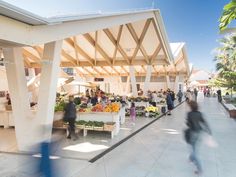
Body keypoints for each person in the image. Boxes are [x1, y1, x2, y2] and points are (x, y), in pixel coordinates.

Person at [185, 101, 211, 175]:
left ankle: (200, 169)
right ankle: (191, 158)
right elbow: (204, 122)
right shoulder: (200, 114)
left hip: (193, 133)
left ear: (191, 107)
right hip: (199, 132)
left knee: (194, 151)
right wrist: (209, 131)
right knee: (194, 147)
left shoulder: (189, 114)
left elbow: (188, 124)